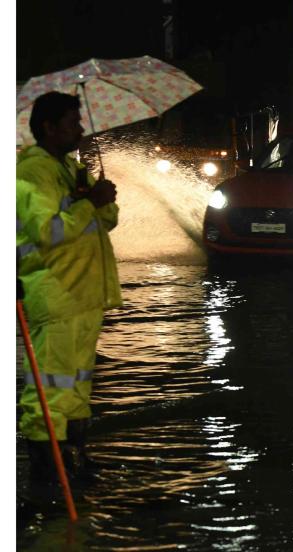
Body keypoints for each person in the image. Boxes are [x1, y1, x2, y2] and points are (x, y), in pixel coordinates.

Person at [16, 91, 121, 482]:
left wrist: (96, 196)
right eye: (73, 122)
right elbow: (47, 232)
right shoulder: (30, 173)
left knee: (76, 383)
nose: (80, 129)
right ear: (49, 127)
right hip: (55, 294)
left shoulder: (68, 167)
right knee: (51, 385)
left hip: (83, 296)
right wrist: (88, 202)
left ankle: (75, 458)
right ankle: (48, 471)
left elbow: (106, 219)